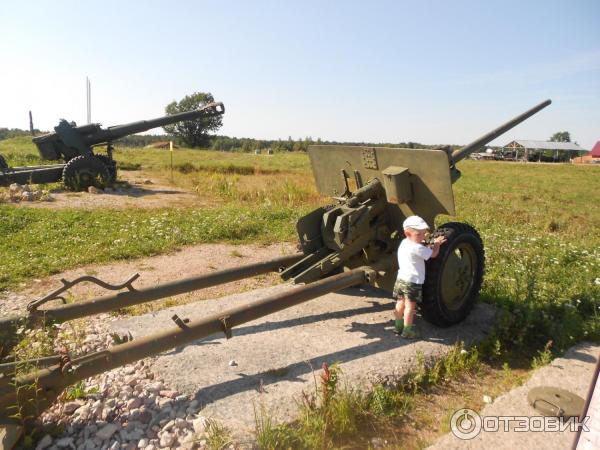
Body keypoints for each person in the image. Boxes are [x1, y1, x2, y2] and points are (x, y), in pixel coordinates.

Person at [393, 215, 446, 338]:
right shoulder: (417, 248)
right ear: (407, 233)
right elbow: (433, 254)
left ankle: (398, 326)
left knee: (400, 303)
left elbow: (419, 245)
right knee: (410, 308)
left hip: (401, 279)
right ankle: (407, 331)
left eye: (423, 234)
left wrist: (421, 241)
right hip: (413, 282)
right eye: (419, 235)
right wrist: (437, 244)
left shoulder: (404, 242)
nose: (422, 237)